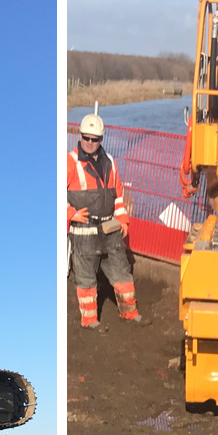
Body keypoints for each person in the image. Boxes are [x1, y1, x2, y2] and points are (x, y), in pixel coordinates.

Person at [67, 114, 142, 327]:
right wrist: (70, 214)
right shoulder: (70, 162)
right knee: (86, 276)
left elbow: (118, 196)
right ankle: (90, 320)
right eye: (86, 138)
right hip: (84, 230)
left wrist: (123, 220)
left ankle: (130, 313)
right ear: (80, 136)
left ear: (102, 139)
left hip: (109, 227)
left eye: (95, 139)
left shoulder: (110, 162)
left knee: (121, 269)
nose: (90, 143)